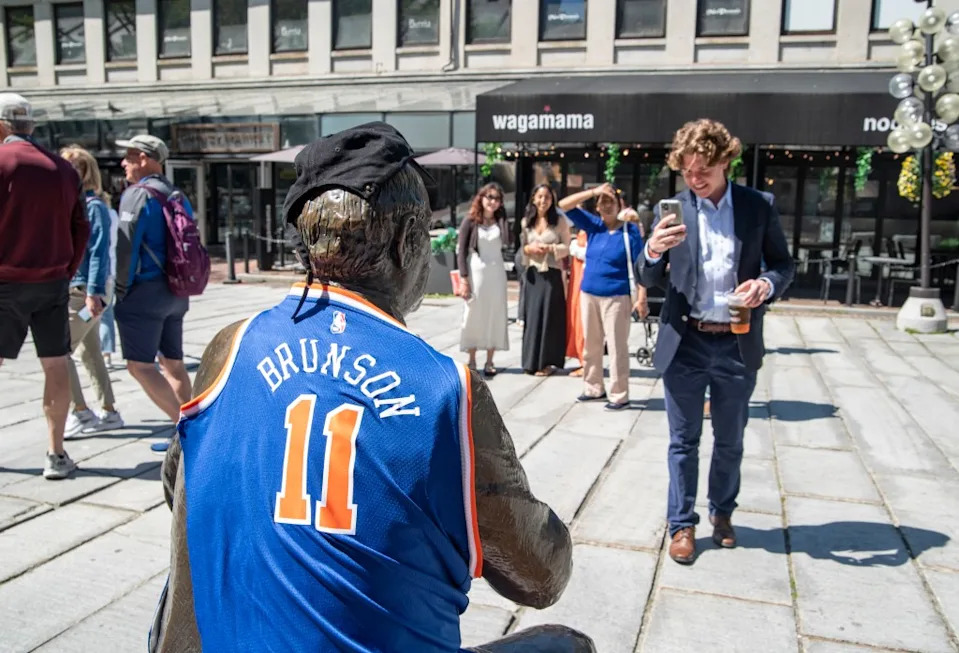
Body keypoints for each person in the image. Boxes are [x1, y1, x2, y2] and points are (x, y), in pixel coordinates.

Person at [149, 122, 594, 652]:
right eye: (425, 239)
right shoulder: (444, 390)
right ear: (407, 243)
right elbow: (541, 576)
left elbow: (177, 480)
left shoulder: (229, 345)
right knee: (565, 645)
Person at [638, 119, 794, 565]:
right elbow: (646, 277)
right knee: (683, 441)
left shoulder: (756, 206)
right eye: (686, 171)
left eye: (703, 169)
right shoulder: (672, 210)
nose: (694, 179)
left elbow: (783, 265)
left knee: (730, 440)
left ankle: (722, 514)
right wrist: (652, 250)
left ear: (726, 160)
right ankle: (681, 525)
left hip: (736, 342)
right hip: (685, 340)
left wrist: (765, 285)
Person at [0, 93, 89, 480]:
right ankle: (55, 454)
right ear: (30, 127)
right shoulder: (63, 169)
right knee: (56, 363)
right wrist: (65, 270)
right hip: (52, 280)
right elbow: (80, 228)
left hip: (4, 281)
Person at [113, 134, 193, 452]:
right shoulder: (176, 193)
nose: (124, 163)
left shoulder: (137, 194)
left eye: (129, 157)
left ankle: (185, 432)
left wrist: (120, 289)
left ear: (145, 159)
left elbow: (125, 248)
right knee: (173, 362)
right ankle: (192, 426)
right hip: (176, 291)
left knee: (140, 365)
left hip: (144, 292)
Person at [559, 183, 647, 411]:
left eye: (611, 201)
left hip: (617, 296)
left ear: (620, 205)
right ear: (597, 206)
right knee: (591, 345)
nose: (606, 205)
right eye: (602, 202)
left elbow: (641, 266)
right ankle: (593, 387)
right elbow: (564, 205)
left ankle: (619, 394)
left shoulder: (630, 231)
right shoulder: (593, 225)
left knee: (617, 347)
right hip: (589, 293)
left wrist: (642, 297)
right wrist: (594, 191)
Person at [59, 145, 124, 438]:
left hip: (85, 292)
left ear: (86, 172)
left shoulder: (91, 206)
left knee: (59, 351)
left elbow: (98, 252)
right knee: (90, 351)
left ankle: (81, 411)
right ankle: (108, 411)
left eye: (71, 165)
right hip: (88, 290)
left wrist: (93, 293)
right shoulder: (79, 204)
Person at [456, 182, 509, 377]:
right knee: (474, 313)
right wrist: (464, 278)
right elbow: (460, 251)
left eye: (496, 198)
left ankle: (490, 360)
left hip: (497, 272)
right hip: (476, 270)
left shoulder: (501, 220)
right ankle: (471, 359)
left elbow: (509, 241)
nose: (492, 201)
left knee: (495, 313)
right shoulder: (470, 220)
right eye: (489, 197)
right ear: (481, 198)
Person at [520, 184, 570, 376]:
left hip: (552, 273)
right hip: (533, 274)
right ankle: (530, 361)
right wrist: (528, 249)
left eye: (547, 197)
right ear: (534, 198)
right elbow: (522, 246)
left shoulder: (559, 221)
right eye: (540, 197)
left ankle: (547, 362)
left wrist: (550, 249)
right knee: (532, 318)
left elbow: (567, 246)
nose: (543, 201)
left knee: (550, 317)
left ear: (552, 200)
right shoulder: (527, 221)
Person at [565, 228, 587, 376]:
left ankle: (585, 362)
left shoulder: (586, 236)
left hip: (586, 284)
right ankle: (582, 360)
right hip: (578, 283)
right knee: (577, 320)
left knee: (583, 322)